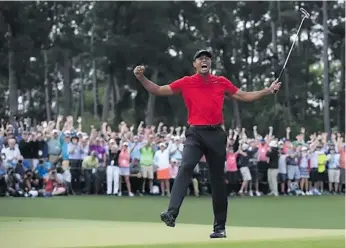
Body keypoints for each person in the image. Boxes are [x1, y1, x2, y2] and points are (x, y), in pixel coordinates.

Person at [133, 49, 281, 238]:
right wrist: (141, 78)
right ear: (194, 64)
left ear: (210, 64)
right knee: (186, 165)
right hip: (195, 133)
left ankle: (219, 228)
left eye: (208, 59)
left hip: (217, 134)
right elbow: (158, 90)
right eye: (201, 59)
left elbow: (244, 96)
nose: (205, 61)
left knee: (217, 180)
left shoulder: (221, 82)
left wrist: (267, 91)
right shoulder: (186, 82)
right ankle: (171, 213)